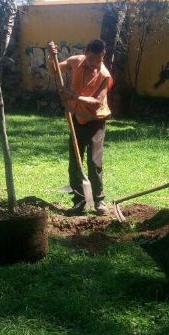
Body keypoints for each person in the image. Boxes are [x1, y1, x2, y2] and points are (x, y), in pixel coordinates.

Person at [48, 39, 113, 216]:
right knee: (75, 163)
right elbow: (54, 69)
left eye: (98, 60)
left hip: (95, 121)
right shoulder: (76, 61)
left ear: (103, 56)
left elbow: (97, 102)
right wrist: (52, 56)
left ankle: (99, 201)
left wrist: (73, 96)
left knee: (94, 162)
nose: (94, 63)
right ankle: (79, 202)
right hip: (76, 118)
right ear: (86, 52)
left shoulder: (104, 75)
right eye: (91, 58)